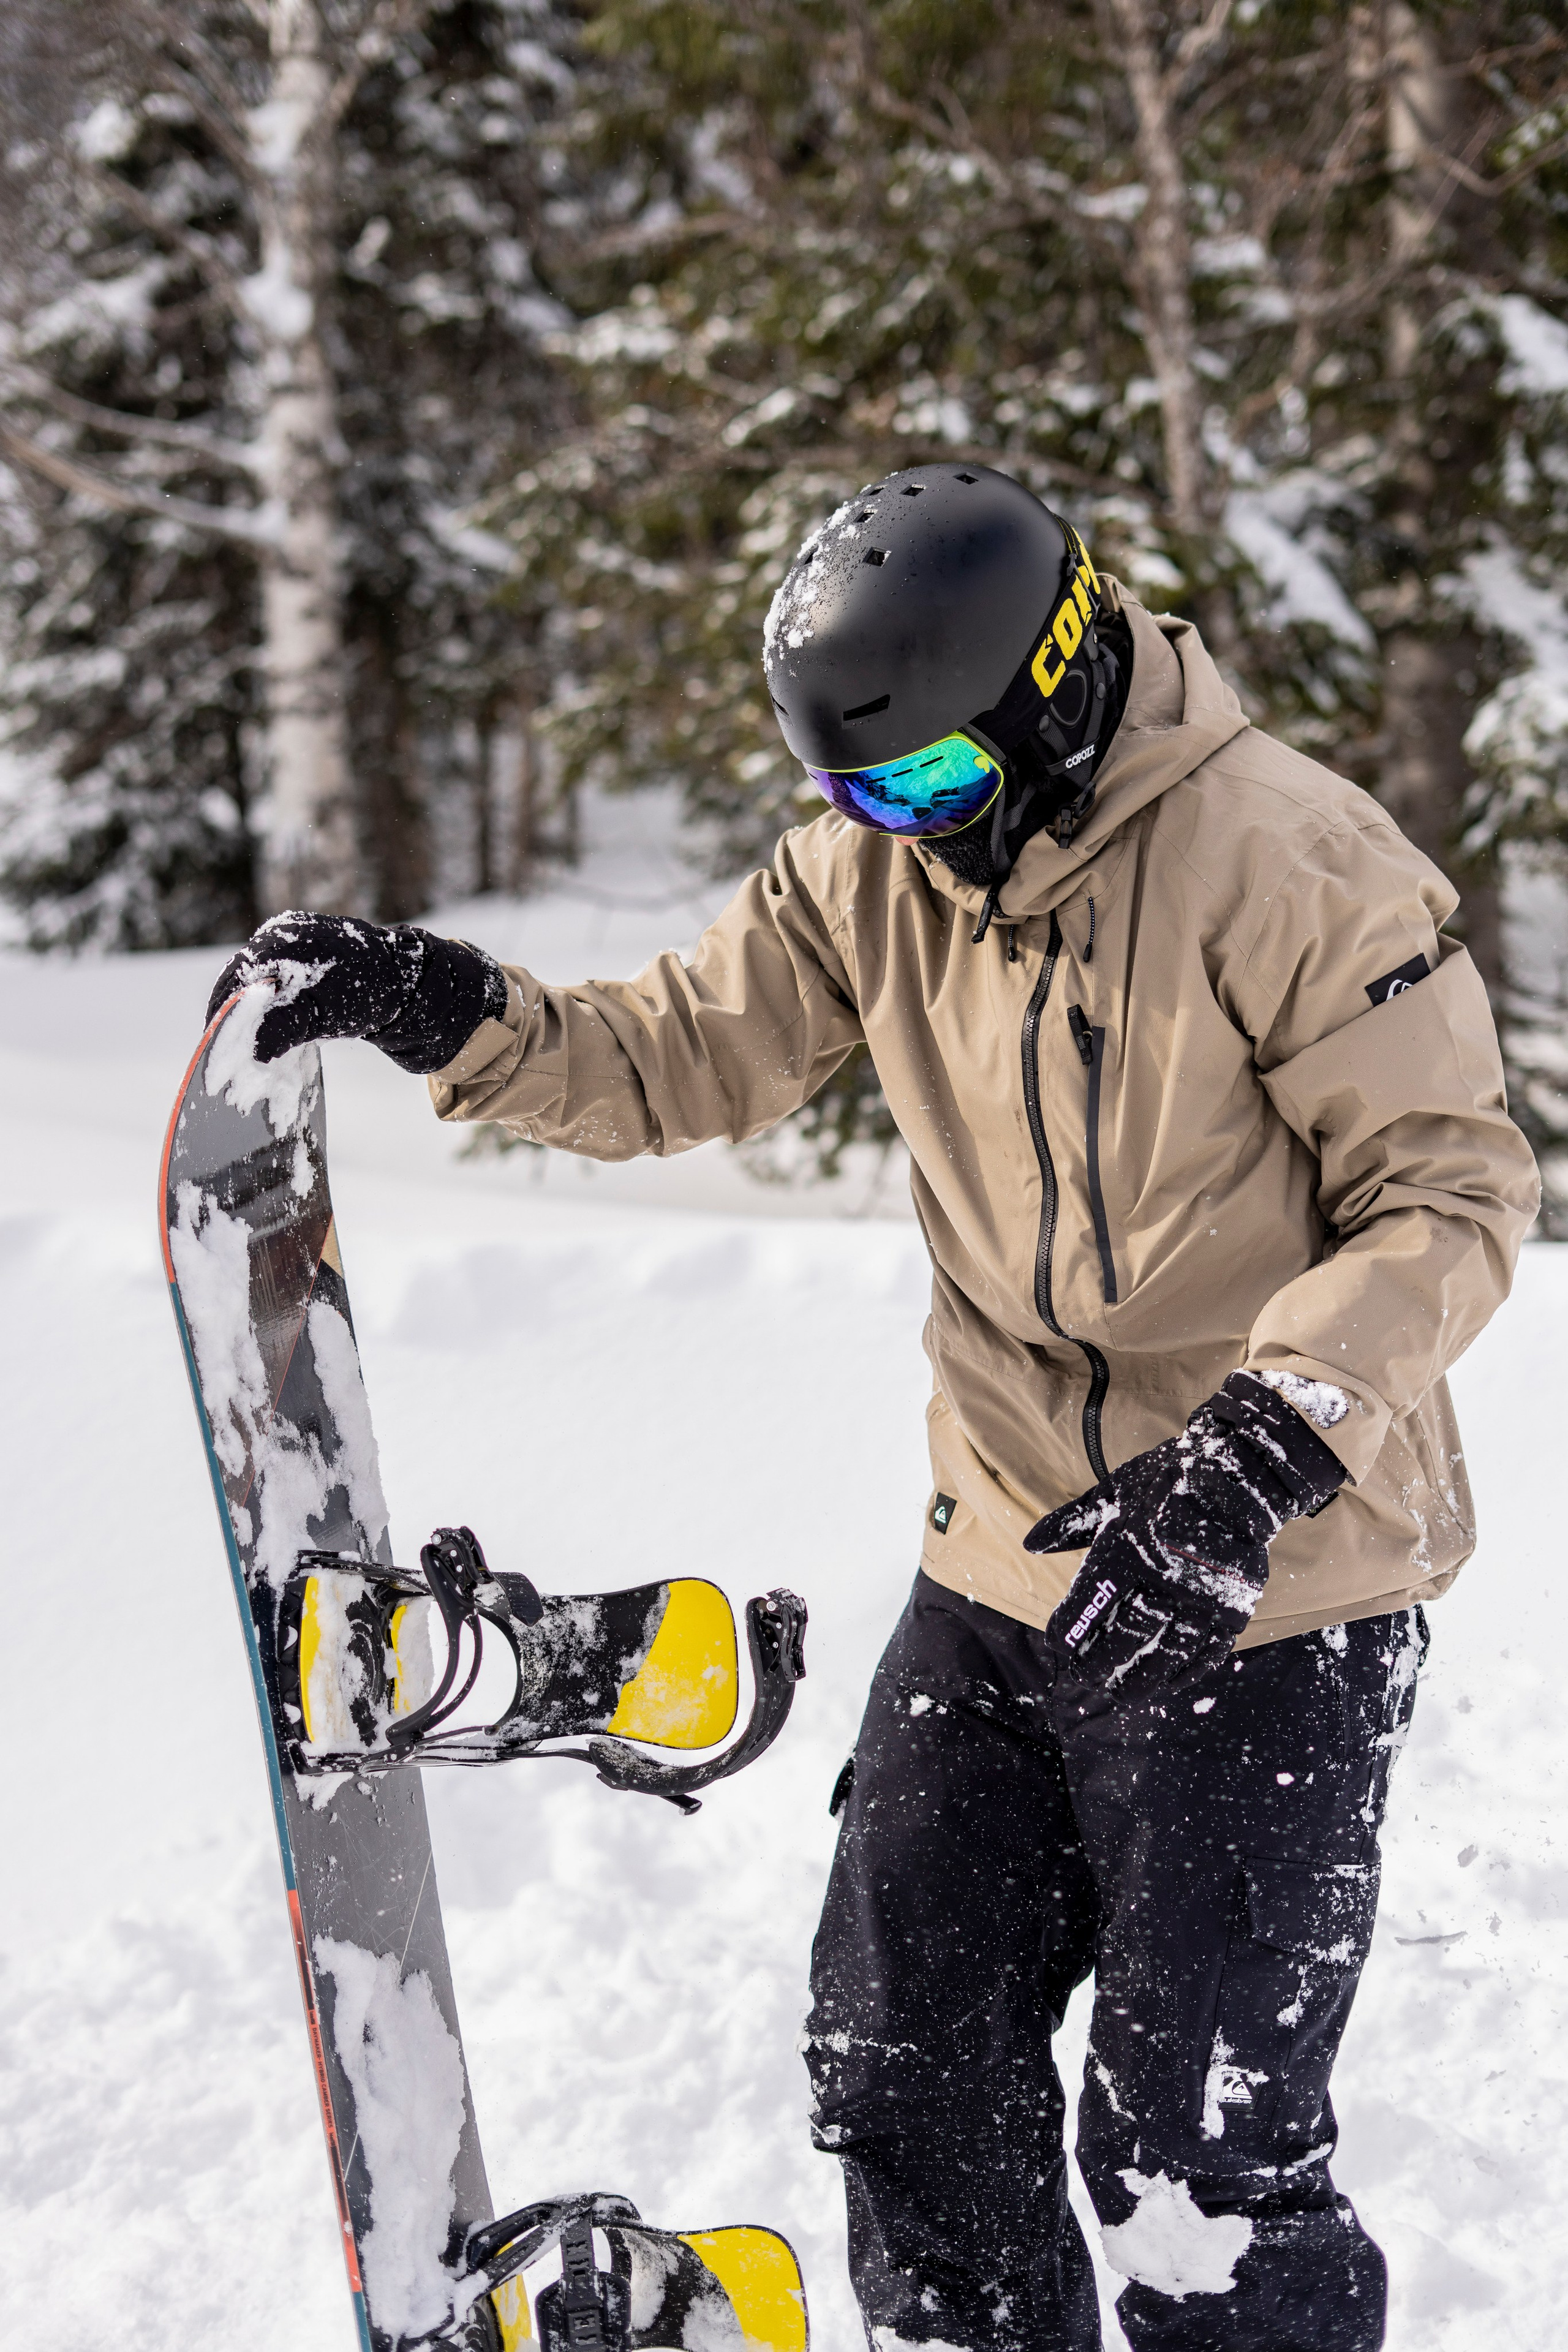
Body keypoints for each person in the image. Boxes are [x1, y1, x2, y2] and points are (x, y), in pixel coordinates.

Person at [208, 466, 1538, 2352]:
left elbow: (1454, 1194)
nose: (902, 836)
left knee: (1195, 2160)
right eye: (857, 795)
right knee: (904, 2063)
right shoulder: (885, 868)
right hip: (1005, 1553)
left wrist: (1271, 1431)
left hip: (1271, 1583)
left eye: (922, 784)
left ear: (1054, 693)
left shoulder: (1293, 864)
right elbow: (678, 1050)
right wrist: (461, 1017)